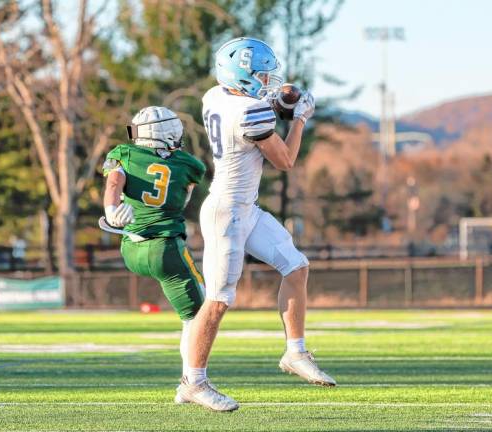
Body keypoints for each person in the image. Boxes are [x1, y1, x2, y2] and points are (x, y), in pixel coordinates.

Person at [177, 37, 336, 412]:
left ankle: (295, 352)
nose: (268, 82)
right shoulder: (250, 113)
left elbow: (263, 101)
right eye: (262, 76)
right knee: (217, 301)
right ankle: (193, 382)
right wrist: (299, 119)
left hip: (244, 208)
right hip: (226, 213)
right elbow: (285, 160)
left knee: (296, 266)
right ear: (243, 78)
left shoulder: (215, 96)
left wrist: (282, 95)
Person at [102, 106, 207, 400]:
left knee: (195, 308)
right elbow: (182, 195)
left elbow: (114, 183)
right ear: (169, 132)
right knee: (199, 317)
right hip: (165, 248)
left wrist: (111, 210)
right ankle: (192, 382)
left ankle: (190, 382)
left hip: (131, 246)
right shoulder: (190, 164)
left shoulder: (124, 153)